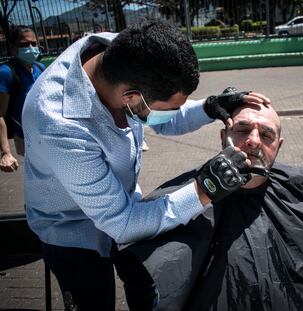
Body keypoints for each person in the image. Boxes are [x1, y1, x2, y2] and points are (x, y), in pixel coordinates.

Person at [22, 19, 270, 311]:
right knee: (93, 301)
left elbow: (162, 116)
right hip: (72, 231)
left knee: (145, 280)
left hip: (124, 204)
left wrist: (207, 108)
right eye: (171, 107)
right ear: (130, 98)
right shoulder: (58, 123)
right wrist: (205, 189)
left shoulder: (126, 53)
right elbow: (123, 224)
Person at [119, 101, 303, 311]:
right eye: (242, 130)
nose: (253, 141)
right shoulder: (189, 193)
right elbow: (138, 242)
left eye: (267, 135)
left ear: (279, 146)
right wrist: (202, 192)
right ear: (224, 137)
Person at [0, 25, 44, 172]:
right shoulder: (6, 73)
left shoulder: (40, 67)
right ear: (13, 49)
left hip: (47, 133)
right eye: (24, 45)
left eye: (33, 43)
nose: (31, 48)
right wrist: (6, 152)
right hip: (27, 139)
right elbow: (0, 114)